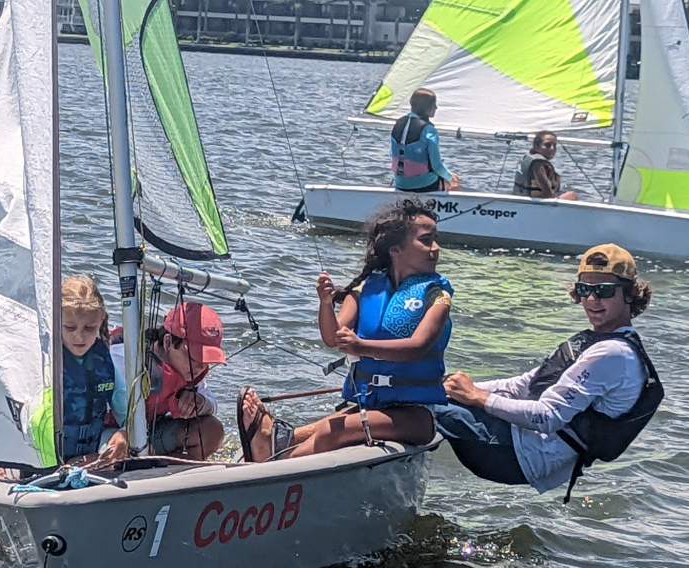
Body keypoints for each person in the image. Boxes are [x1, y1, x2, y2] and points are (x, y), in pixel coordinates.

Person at [428, 243, 662, 501]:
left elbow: (547, 417)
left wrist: (477, 397)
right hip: (517, 439)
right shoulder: (595, 341)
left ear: (629, 294)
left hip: (520, 456)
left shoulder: (613, 354)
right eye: (585, 290)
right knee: (427, 391)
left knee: (425, 406)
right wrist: (452, 386)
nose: (593, 300)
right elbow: (525, 384)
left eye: (604, 291)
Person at [240, 199, 452, 461]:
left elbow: (418, 347)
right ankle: (269, 442)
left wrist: (361, 346)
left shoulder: (437, 296)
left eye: (435, 239)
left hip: (417, 416)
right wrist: (326, 303)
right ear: (396, 249)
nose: (436, 248)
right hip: (374, 405)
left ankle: (267, 466)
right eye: (427, 240)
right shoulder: (364, 290)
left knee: (331, 430)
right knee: (316, 429)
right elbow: (333, 337)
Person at [111, 302, 226, 461]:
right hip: (115, 434)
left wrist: (200, 403)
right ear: (167, 342)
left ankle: (165, 467)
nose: (200, 367)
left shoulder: (192, 371)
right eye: (194, 357)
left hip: (153, 432)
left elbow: (212, 404)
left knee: (212, 431)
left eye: (207, 360)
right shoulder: (124, 359)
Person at [58, 275, 128, 465]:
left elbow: (127, 415)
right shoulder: (46, 362)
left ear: (101, 322)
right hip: (46, 460)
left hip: (88, 456)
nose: (79, 336)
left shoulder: (106, 362)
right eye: (70, 327)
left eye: (89, 328)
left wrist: (124, 433)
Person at [390, 88, 459, 193]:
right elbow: (436, 165)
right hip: (424, 185)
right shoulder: (429, 130)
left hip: (400, 183)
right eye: (434, 104)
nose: (436, 107)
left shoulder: (398, 124)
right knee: (453, 181)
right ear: (427, 108)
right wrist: (450, 178)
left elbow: (394, 154)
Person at [511, 131, 578, 201]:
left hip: (521, 199)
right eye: (547, 145)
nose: (552, 148)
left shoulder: (528, 157)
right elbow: (548, 194)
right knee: (572, 195)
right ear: (536, 146)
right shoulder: (538, 164)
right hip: (536, 204)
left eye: (554, 145)